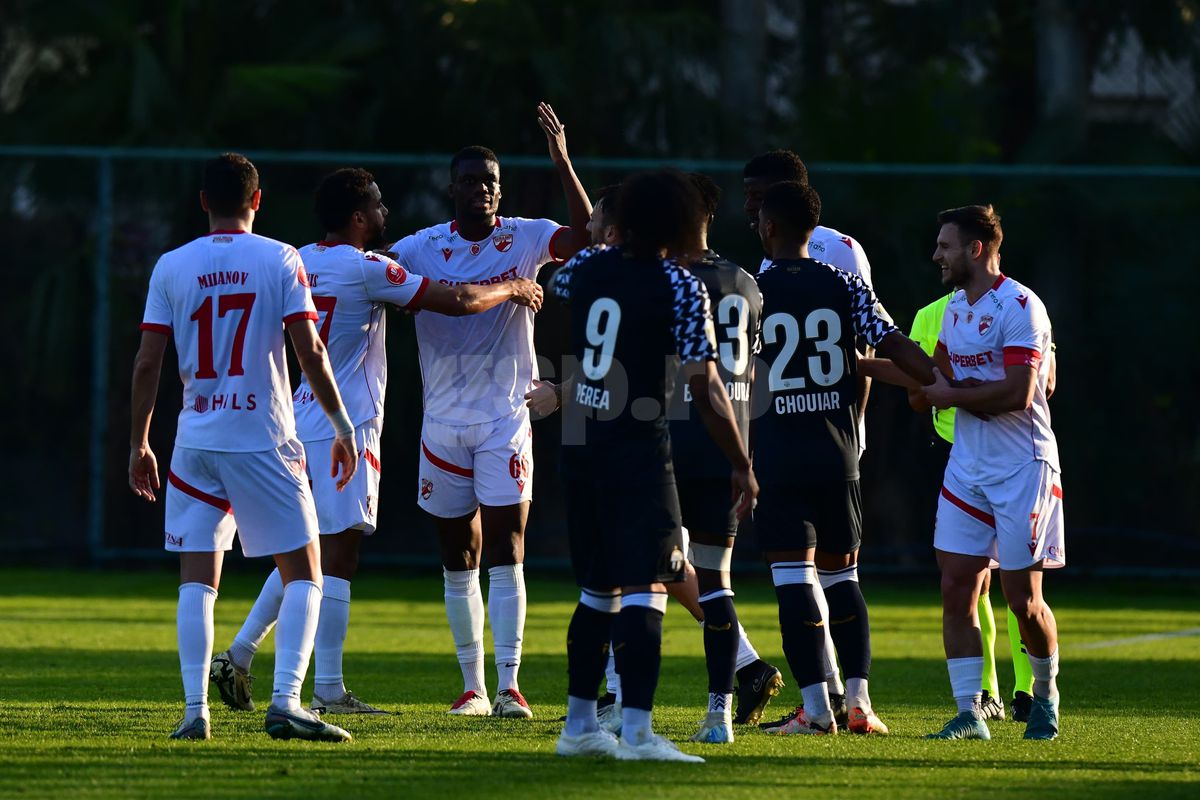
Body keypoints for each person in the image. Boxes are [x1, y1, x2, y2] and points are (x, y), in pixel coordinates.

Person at [209, 168, 544, 715]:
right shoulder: (366, 269)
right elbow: (455, 300)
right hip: (347, 423)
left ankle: (239, 655)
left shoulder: (293, 259)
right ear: (359, 217)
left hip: (291, 419)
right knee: (337, 555)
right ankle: (328, 689)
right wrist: (514, 285)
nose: (388, 214)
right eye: (380, 206)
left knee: (305, 550)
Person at [529, 182, 782, 739]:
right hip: (641, 449)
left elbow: (575, 264)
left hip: (584, 446)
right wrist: (742, 459)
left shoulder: (583, 272)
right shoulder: (681, 286)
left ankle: (578, 730)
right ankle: (639, 732)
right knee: (651, 587)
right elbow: (707, 386)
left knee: (597, 592)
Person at [128, 153, 355, 742]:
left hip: (195, 440)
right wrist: (342, 425)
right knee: (307, 571)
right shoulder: (279, 257)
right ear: (258, 200)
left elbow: (148, 360)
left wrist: (139, 442)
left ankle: (195, 712)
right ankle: (286, 702)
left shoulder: (171, 265)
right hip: (262, 437)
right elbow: (310, 351)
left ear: (204, 201)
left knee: (197, 579)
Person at [386, 103, 591, 718]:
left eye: (491, 183)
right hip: (441, 423)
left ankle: (508, 686)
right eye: (471, 181)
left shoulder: (525, 235)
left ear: (501, 192)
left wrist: (562, 161)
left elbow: (585, 236)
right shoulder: (420, 248)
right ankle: (471, 686)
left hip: (506, 417)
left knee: (508, 547)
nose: (482, 190)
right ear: (452, 189)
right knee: (458, 556)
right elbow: (376, 279)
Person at [752, 181, 936, 735]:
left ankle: (814, 710)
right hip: (837, 453)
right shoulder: (845, 282)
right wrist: (942, 377)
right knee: (842, 577)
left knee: (792, 580)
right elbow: (892, 343)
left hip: (779, 454)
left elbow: (729, 373)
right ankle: (859, 702)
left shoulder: (752, 290)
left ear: (769, 227)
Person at [919, 205, 1064, 741]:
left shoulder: (1021, 305)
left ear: (976, 249)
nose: (937, 254)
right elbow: (930, 372)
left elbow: (1021, 392)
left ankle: (1045, 698)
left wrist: (951, 394)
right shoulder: (955, 307)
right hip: (967, 470)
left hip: (1021, 469)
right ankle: (968, 712)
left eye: (945, 245)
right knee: (956, 587)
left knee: (1023, 601)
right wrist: (857, 361)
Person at [742, 149, 875, 721]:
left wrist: (857, 421)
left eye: (755, 196)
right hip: (832, 436)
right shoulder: (834, 266)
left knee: (806, 570)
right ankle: (843, 699)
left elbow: (859, 352)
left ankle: (822, 702)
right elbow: (875, 342)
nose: (748, 207)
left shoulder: (824, 255)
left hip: (795, 438)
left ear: (778, 201)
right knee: (836, 572)